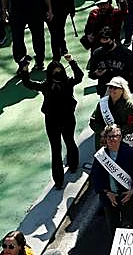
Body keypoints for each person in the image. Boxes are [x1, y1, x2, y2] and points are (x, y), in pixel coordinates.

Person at [19, 53, 84, 189]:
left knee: (67, 142)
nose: (57, 75)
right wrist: (24, 70)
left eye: (59, 72)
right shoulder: (50, 84)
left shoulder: (56, 83)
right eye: (55, 72)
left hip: (63, 118)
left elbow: (80, 76)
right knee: (58, 147)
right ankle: (62, 177)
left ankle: (71, 168)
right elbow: (28, 83)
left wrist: (72, 62)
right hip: (54, 120)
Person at [89, 124, 133, 232]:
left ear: (120, 137)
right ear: (105, 138)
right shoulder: (101, 156)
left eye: (115, 136)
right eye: (109, 137)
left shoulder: (129, 151)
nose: (112, 139)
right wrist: (107, 193)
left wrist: (131, 191)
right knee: (114, 227)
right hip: (110, 198)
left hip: (128, 195)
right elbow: (96, 178)